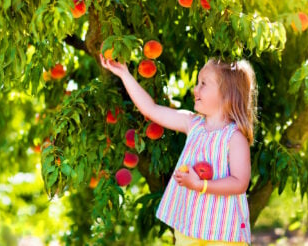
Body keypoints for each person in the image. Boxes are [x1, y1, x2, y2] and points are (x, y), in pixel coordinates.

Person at [100, 54, 257, 246]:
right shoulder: (193, 124)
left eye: (203, 84)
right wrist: (124, 74)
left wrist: (201, 185)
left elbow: (239, 183)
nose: (195, 89)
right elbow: (150, 109)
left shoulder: (235, 137)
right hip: (189, 226)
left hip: (222, 230)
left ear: (226, 94)